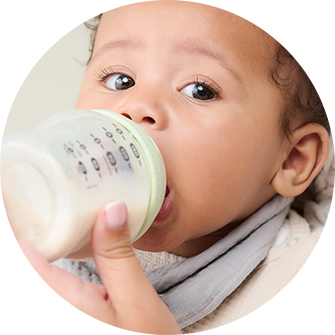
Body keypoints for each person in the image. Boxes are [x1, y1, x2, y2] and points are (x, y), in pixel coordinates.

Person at [1, 0, 335, 334]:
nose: (137, 105)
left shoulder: (314, 290)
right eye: (120, 80)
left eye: (199, 90)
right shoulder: (36, 244)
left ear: (293, 160)